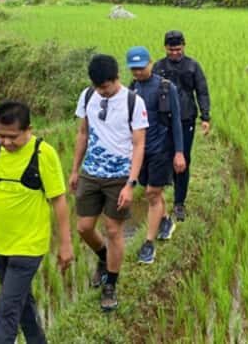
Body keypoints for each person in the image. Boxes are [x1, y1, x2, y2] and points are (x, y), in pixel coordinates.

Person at [0, 101, 74, 344]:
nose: (6, 142)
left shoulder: (43, 153)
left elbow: (59, 201)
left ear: (29, 128)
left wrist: (66, 244)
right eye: (1, 135)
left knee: (7, 311)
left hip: (28, 246)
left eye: (12, 137)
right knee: (21, 301)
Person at [69, 54, 148, 311]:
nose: (102, 92)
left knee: (113, 230)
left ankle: (111, 284)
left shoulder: (133, 102)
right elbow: (83, 133)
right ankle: (104, 257)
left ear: (117, 78)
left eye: (106, 87)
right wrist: (74, 170)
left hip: (119, 177)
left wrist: (130, 184)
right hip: (91, 173)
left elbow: (139, 145)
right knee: (83, 227)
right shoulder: (88, 96)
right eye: (97, 87)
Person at [126, 46, 186, 264]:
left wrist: (179, 152)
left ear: (150, 63)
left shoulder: (165, 87)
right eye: (134, 69)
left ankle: (148, 244)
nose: (138, 72)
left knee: (151, 193)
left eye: (141, 67)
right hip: (141, 151)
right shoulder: (131, 89)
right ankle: (166, 220)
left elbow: (176, 121)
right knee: (153, 190)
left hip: (162, 148)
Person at [152, 30, 211, 221]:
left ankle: (179, 203)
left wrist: (205, 117)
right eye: (171, 50)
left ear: (184, 46)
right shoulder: (158, 67)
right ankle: (159, 203)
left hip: (186, 119)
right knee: (161, 158)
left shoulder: (193, 66)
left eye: (178, 49)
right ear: (165, 48)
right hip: (163, 121)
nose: (175, 53)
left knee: (182, 160)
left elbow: (202, 92)